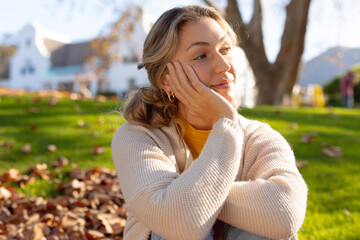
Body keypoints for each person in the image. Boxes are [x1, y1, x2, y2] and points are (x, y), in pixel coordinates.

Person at [111, 5, 307, 240]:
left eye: (225, 50)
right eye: (201, 55)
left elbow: (284, 215)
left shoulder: (259, 137)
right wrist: (226, 124)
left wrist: (187, 198)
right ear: (166, 79)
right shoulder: (138, 137)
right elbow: (178, 224)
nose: (224, 66)